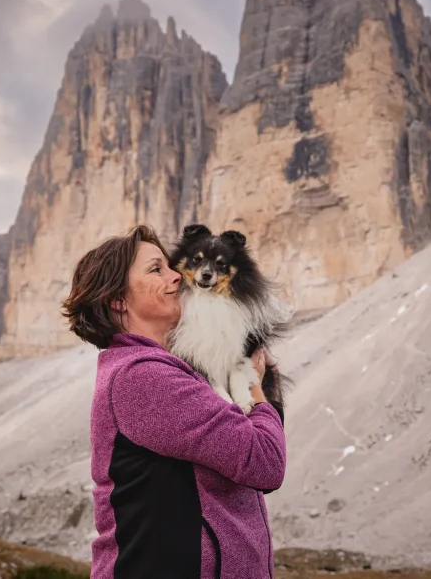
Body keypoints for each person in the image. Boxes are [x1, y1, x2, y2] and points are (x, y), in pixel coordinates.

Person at [61, 224, 286, 579]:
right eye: (156, 270)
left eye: (170, 265)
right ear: (117, 300)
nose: (179, 276)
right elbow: (264, 462)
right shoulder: (143, 377)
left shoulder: (174, 370)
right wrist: (255, 385)